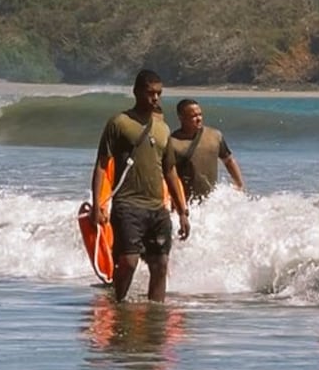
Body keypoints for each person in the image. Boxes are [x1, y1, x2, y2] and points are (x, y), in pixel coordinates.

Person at [92, 69, 190, 302]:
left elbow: (170, 171)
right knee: (128, 261)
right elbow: (102, 165)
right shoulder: (119, 123)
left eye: (158, 93)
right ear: (136, 92)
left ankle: (155, 312)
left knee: (160, 264)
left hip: (157, 208)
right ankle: (117, 304)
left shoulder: (163, 129)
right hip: (128, 204)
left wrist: (182, 210)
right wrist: (97, 205)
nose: (155, 98)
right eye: (150, 93)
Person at [169, 98, 245, 202]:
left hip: (210, 203)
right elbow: (167, 174)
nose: (199, 118)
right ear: (181, 118)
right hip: (187, 201)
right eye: (193, 116)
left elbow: (229, 160)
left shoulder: (214, 136)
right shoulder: (172, 142)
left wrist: (240, 185)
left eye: (200, 114)